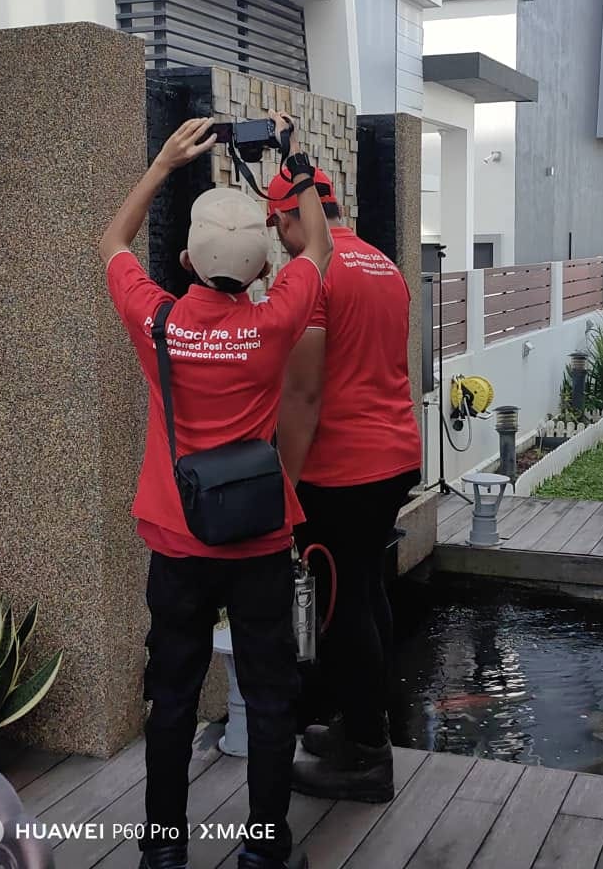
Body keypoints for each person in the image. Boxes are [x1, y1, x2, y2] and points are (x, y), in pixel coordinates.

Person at [99, 112, 333, 869]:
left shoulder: (158, 322)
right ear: (261, 272)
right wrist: (294, 160)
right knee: (269, 698)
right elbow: (320, 247)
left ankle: (164, 851)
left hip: (177, 538)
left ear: (184, 261)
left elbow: (111, 243)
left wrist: (164, 164)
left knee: (171, 698)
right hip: (260, 540)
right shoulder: (275, 319)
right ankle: (264, 851)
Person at [269, 169, 422, 804]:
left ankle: (366, 759)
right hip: (395, 456)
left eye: (278, 226)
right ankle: (363, 726)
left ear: (290, 217)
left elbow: (303, 394)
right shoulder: (384, 265)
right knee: (365, 591)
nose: (280, 241)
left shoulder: (313, 274)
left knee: (341, 608)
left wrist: (284, 484)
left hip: (341, 470)